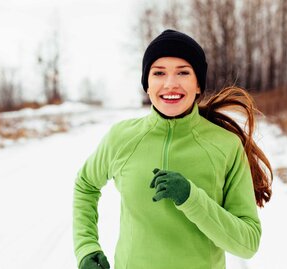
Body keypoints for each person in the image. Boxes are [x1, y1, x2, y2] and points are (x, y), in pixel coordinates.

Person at [73, 29, 273, 269]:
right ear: (147, 85)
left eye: (183, 72)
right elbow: (85, 185)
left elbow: (247, 244)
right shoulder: (121, 138)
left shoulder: (226, 146)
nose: (170, 84)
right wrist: (86, 247)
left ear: (198, 84)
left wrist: (191, 197)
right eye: (159, 73)